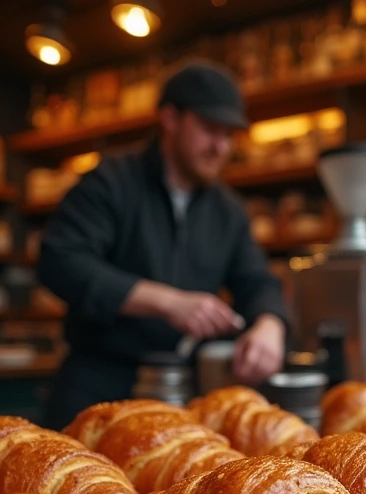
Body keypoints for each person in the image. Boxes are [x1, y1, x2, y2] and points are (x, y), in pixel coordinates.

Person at [37, 61, 290, 429]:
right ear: (170, 119)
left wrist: (270, 325)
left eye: (229, 134)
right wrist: (168, 302)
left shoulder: (228, 211)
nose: (221, 147)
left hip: (181, 393)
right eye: (209, 129)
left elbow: (257, 281)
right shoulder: (109, 182)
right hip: (96, 389)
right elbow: (61, 261)